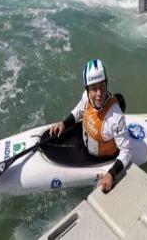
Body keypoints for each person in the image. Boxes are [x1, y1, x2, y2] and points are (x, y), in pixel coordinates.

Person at [50, 59, 132, 193]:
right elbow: (79, 111)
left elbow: (127, 151)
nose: (99, 93)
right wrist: (64, 123)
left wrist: (111, 174)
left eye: (102, 86)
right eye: (94, 88)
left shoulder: (116, 118)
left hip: (100, 159)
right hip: (84, 143)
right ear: (87, 89)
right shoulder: (87, 97)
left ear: (106, 83)